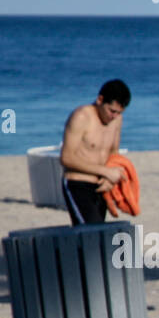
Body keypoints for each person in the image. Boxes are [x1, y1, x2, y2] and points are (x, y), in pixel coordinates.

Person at [59, 79, 130, 226]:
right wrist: (105, 171)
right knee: (90, 232)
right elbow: (66, 158)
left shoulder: (117, 120)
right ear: (100, 100)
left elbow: (113, 153)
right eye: (112, 111)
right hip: (77, 183)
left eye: (119, 113)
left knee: (98, 234)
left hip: (101, 185)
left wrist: (109, 179)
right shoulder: (81, 117)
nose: (114, 116)